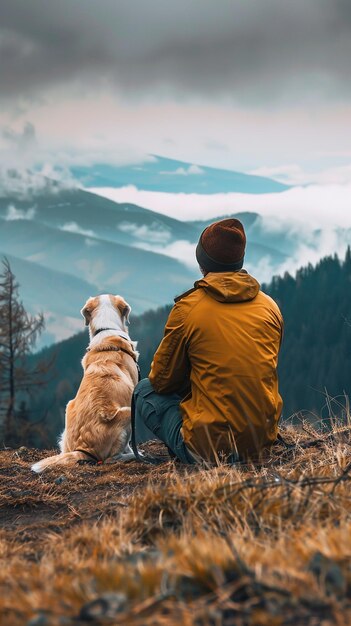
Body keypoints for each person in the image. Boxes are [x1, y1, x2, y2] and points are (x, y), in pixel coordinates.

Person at [133, 218, 283, 464]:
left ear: (202, 262)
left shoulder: (188, 309)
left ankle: (191, 455)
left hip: (211, 450)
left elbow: (162, 381)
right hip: (260, 443)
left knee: (144, 390)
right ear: (240, 259)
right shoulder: (269, 307)